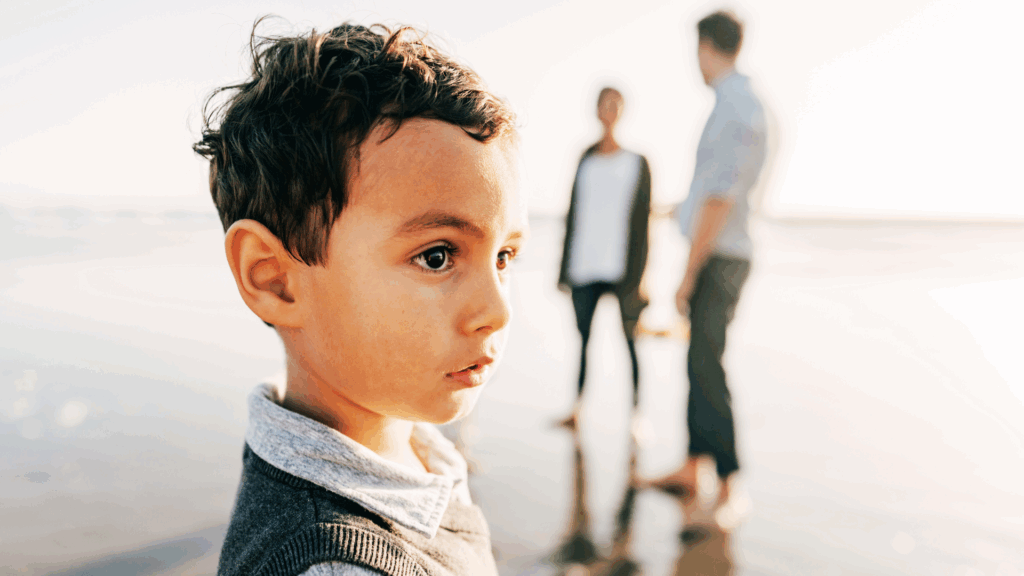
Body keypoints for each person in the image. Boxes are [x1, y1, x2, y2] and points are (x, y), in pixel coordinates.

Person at [193, 21, 525, 576]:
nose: (497, 311)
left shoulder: (409, 439)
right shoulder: (336, 564)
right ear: (274, 279)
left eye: (504, 257)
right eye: (437, 256)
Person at [648, 11, 767, 507]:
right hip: (724, 249)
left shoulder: (735, 107)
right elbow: (714, 194)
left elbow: (720, 198)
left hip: (720, 256)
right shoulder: (740, 102)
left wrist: (688, 272)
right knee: (698, 362)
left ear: (706, 47)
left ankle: (730, 482)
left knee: (708, 364)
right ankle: (694, 467)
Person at [556, 87, 652, 431]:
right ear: (596, 110)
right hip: (584, 266)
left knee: (630, 341)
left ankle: (636, 416)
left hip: (623, 269)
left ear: (623, 111)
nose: (609, 111)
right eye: (604, 104)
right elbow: (573, 215)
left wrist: (642, 276)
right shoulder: (585, 158)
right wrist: (563, 270)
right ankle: (577, 408)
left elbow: (644, 225)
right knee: (583, 341)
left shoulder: (637, 162)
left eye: (615, 104)